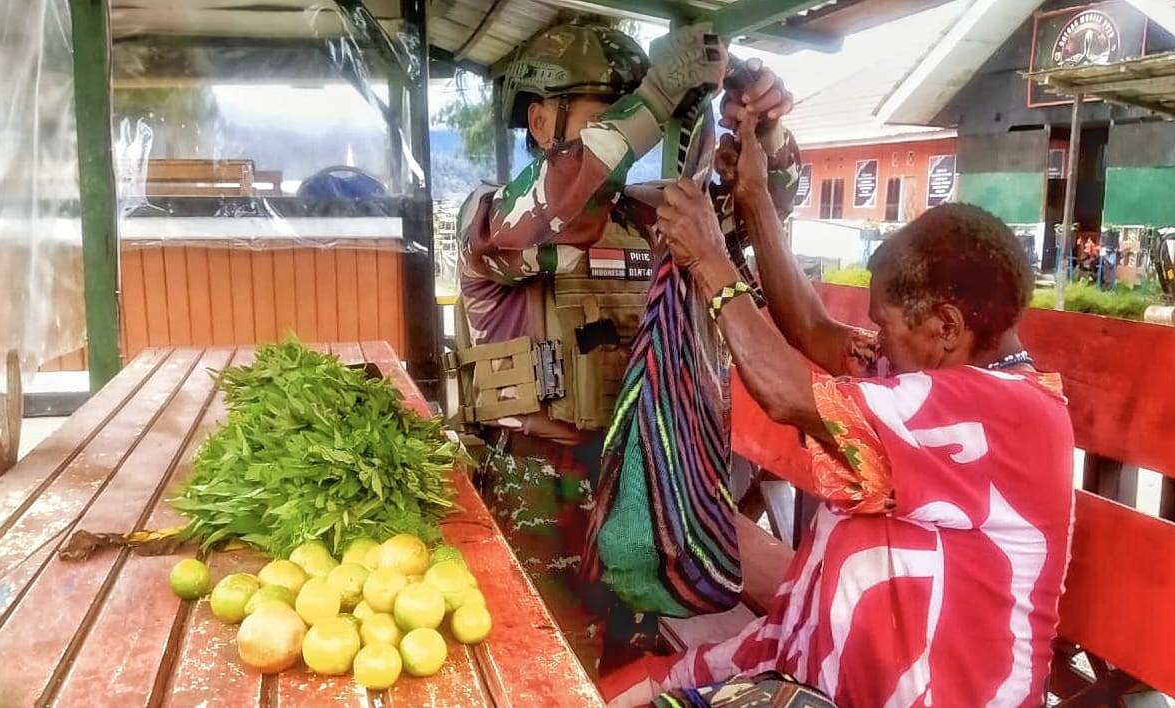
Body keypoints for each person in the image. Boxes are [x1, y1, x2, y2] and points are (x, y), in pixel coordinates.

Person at [602, 106, 1075, 705]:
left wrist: (709, 262)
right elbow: (811, 328)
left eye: (888, 327)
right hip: (823, 676)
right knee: (626, 690)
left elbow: (786, 395)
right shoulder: (936, 374)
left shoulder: (1011, 414)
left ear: (946, 326)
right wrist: (753, 199)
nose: (876, 343)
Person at [451, 21, 799, 676]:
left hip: (635, 486)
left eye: (640, 106)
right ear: (542, 120)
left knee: (618, 657)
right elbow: (550, 208)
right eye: (612, 108)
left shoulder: (646, 217)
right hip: (536, 492)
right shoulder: (494, 216)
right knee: (539, 665)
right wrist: (659, 92)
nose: (639, 122)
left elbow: (761, 205)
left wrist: (761, 128)